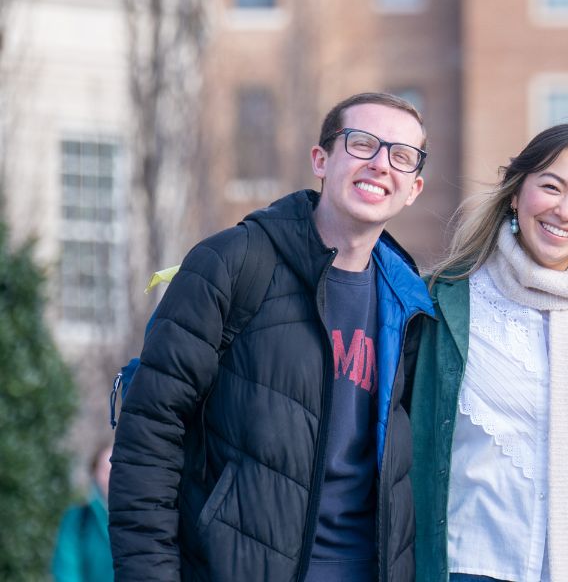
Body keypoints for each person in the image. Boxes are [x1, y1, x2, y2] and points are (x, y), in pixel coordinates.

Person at [109, 92, 434, 581]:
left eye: (400, 156)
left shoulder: (410, 305)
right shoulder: (234, 262)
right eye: (362, 143)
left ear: (414, 188)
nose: (380, 164)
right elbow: (148, 435)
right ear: (321, 160)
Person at [410, 124, 568, 582]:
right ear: (515, 193)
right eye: (551, 187)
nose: (566, 210)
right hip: (470, 563)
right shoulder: (441, 301)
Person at [53, 444, 114, 582]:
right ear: (94, 474)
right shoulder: (78, 519)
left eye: (117, 468)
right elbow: (66, 571)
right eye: (105, 470)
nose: (112, 476)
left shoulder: (148, 517)